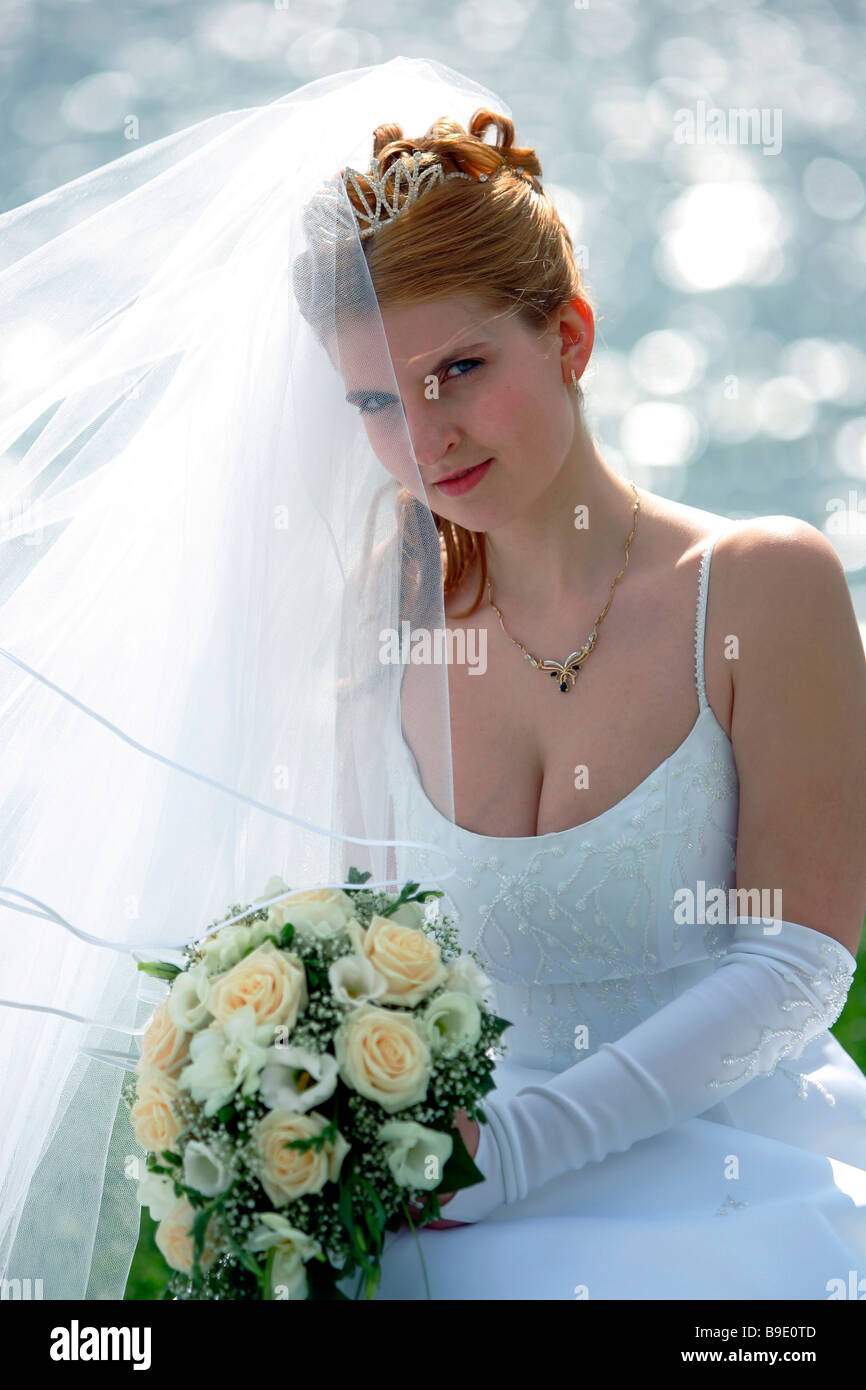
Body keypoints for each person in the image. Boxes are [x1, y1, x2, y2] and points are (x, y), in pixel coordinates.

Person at [0, 54, 863, 1302]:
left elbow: (795, 965)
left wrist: (507, 1154)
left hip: (725, 1168)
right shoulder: (380, 618)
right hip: (445, 1199)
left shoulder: (759, 585)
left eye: (457, 370)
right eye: (374, 398)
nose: (422, 438)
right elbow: (361, 934)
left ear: (566, 334)